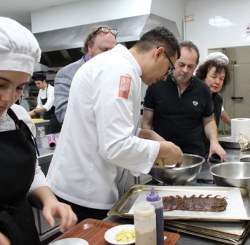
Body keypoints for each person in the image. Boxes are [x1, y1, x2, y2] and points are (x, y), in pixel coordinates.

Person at [46, 26, 183, 222]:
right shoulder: (120, 71)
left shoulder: (116, 65)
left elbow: (100, 126)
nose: (164, 77)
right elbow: (115, 145)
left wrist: (143, 134)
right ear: (159, 53)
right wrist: (162, 149)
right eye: (169, 68)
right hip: (85, 191)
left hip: (85, 183)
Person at [0, 17, 77, 245]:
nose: (9, 98)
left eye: (19, 88)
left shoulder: (18, 117)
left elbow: (31, 172)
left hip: (23, 230)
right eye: (0, 84)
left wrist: (49, 199)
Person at [142, 41, 226, 161]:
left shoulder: (203, 89)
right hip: (163, 156)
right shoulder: (156, 85)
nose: (185, 70)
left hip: (195, 157)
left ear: (196, 66)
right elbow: (146, 123)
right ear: (174, 61)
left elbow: (209, 121)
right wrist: (150, 149)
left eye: (190, 66)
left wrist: (214, 142)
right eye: (181, 64)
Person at [54, 25, 117, 124]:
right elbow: (63, 114)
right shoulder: (67, 74)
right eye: (104, 50)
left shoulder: (114, 73)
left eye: (112, 51)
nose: (109, 56)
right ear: (90, 47)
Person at [195, 52, 231, 127]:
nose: (217, 82)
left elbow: (221, 111)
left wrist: (236, 126)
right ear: (203, 77)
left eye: (221, 78)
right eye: (213, 77)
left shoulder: (217, 99)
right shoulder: (194, 96)